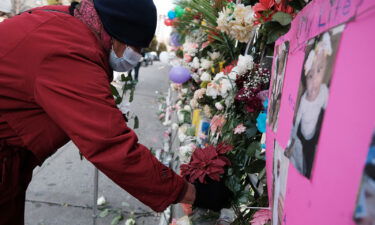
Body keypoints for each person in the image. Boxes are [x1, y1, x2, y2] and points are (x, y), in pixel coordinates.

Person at [0, 0, 231, 224]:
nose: (137, 55)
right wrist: (191, 193)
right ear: (117, 34)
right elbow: (110, 145)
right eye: (137, 47)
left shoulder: (71, 23)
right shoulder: (68, 50)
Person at [285, 33, 332, 178]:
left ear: (325, 70)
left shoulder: (324, 91)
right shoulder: (304, 99)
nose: (314, 79)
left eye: (319, 70)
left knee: (316, 152)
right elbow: (297, 120)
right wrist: (292, 142)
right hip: (304, 137)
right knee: (306, 157)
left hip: (316, 133)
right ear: (305, 78)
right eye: (310, 75)